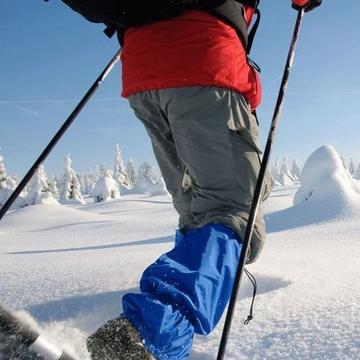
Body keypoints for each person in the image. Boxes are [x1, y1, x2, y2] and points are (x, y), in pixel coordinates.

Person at [86, 1, 322, 359]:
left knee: (198, 210)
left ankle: (158, 329)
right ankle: (147, 336)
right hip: (203, 59)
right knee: (233, 211)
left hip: (142, 72)